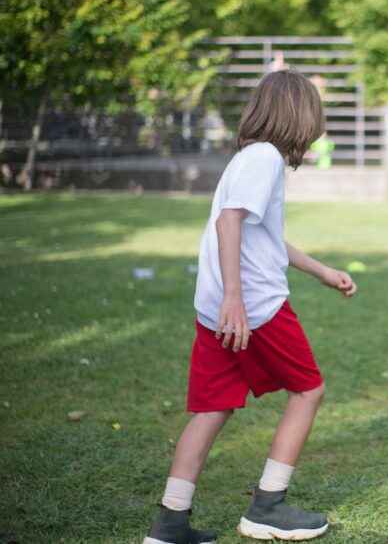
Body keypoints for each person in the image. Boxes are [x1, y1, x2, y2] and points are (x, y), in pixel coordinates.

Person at [144, 70, 357, 544]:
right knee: (308, 391)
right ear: (299, 115)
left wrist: (321, 271)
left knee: (213, 408)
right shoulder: (263, 159)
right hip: (254, 307)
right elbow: (228, 223)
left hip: (217, 307)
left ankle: (170, 524)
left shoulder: (252, 158)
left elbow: (263, 237)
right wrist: (237, 300)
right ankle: (268, 506)